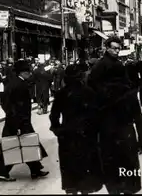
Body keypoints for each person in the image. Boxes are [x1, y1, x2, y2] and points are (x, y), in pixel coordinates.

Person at [88, 36, 142, 195]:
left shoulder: (99, 95)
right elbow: (138, 118)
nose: (117, 50)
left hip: (107, 137)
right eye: (114, 48)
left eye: (118, 48)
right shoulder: (128, 94)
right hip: (126, 135)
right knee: (128, 172)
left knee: (111, 172)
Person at [50, 65, 103, 195]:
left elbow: (54, 114)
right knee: (85, 165)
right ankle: (84, 189)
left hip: (67, 134)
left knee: (69, 165)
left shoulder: (62, 93)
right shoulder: (89, 92)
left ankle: (71, 189)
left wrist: (57, 129)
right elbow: (96, 114)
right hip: (86, 134)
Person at [0, 60, 49, 182]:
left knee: (29, 144)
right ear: (22, 73)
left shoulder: (15, 83)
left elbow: (6, 103)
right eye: (27, 71)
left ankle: (35, 170)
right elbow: (16, 107)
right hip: (18, 122)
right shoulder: (20, 85)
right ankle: (2, 172)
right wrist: (17, 124)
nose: (29, 73)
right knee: (12, 147)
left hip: (17, 120)